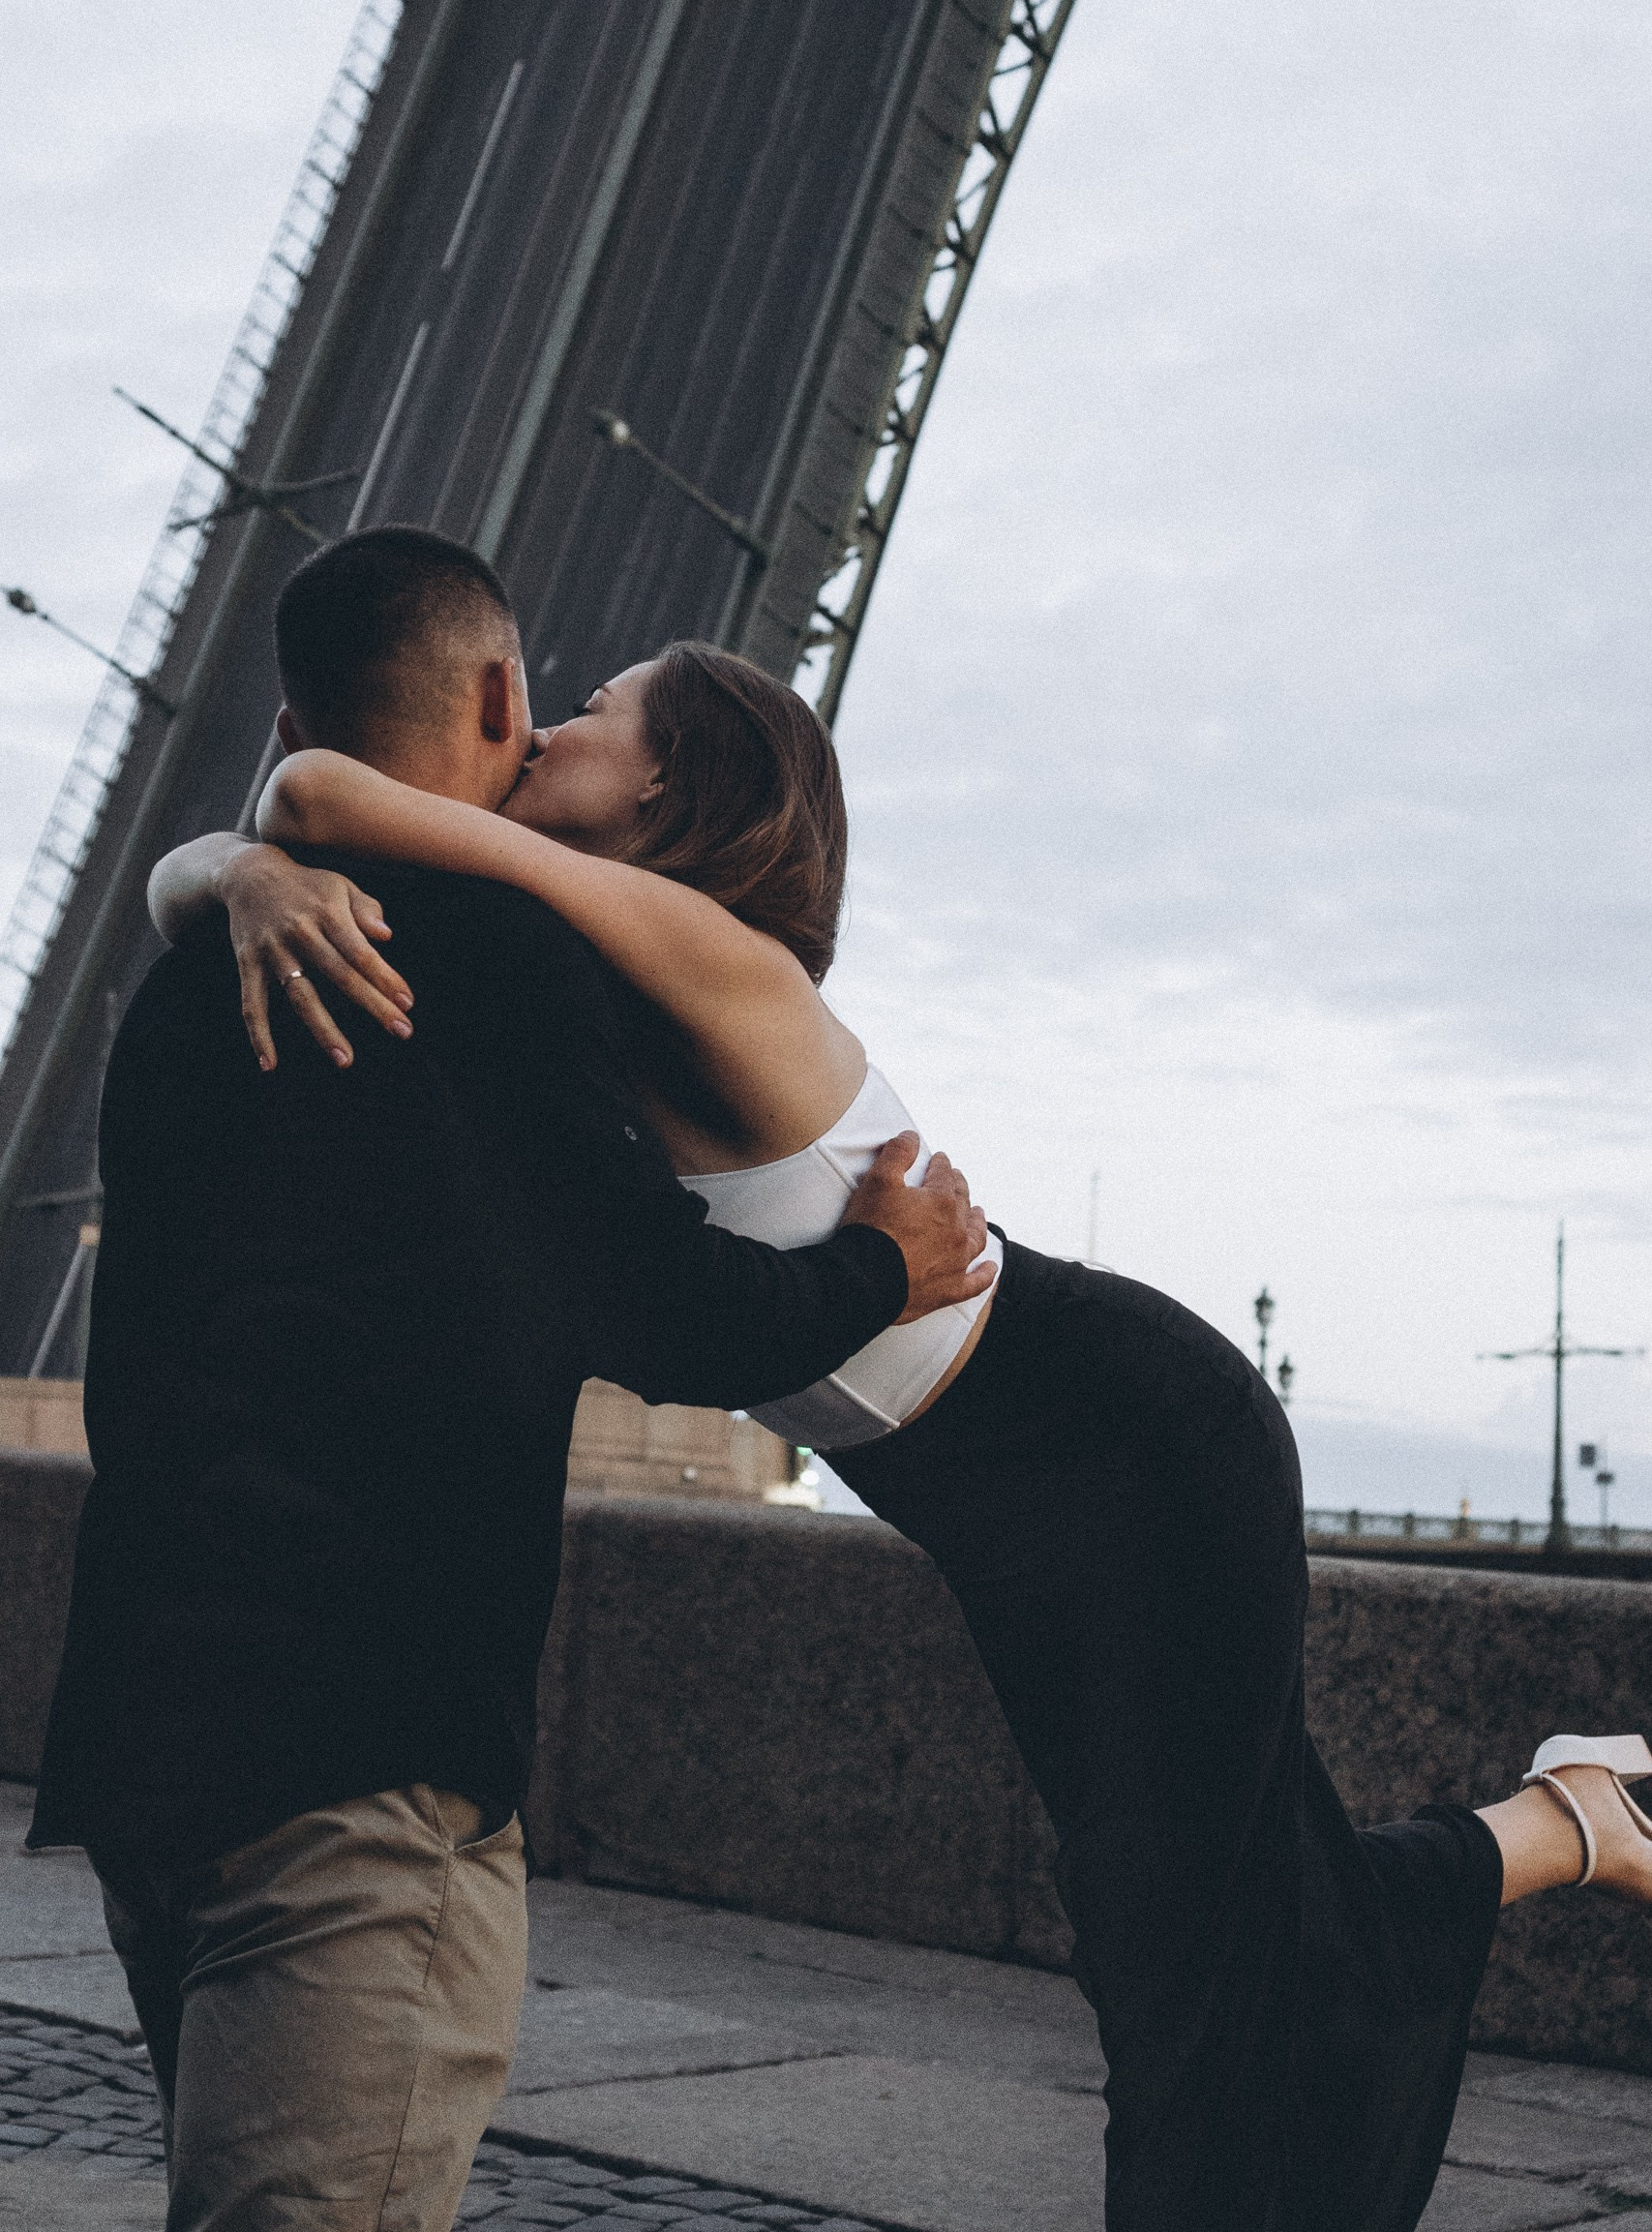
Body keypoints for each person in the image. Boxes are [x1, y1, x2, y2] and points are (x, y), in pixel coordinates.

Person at [154, 584, 1652, 2232]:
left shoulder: (707, 954)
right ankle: (1570, 1818)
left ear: (667, 789)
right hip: (1008, 1498)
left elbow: (313, 790)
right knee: (1172, 1922)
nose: (551, 725)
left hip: (1136, 1446)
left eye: (598, 711)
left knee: (1193, 1952)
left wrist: (255, 853)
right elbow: (267, 836)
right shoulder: (569, 979)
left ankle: (1564, 1829)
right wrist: (230, 874)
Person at [32, 526, 995, 2232]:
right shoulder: (504, 969)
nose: (553, 728)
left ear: (283, 718)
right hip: (362, 1770)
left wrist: (224, 867)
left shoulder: (183, 994)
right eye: (548, 698)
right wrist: (884, 1266)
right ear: (492, 687)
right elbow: (662, 1314)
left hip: (151, 1747)